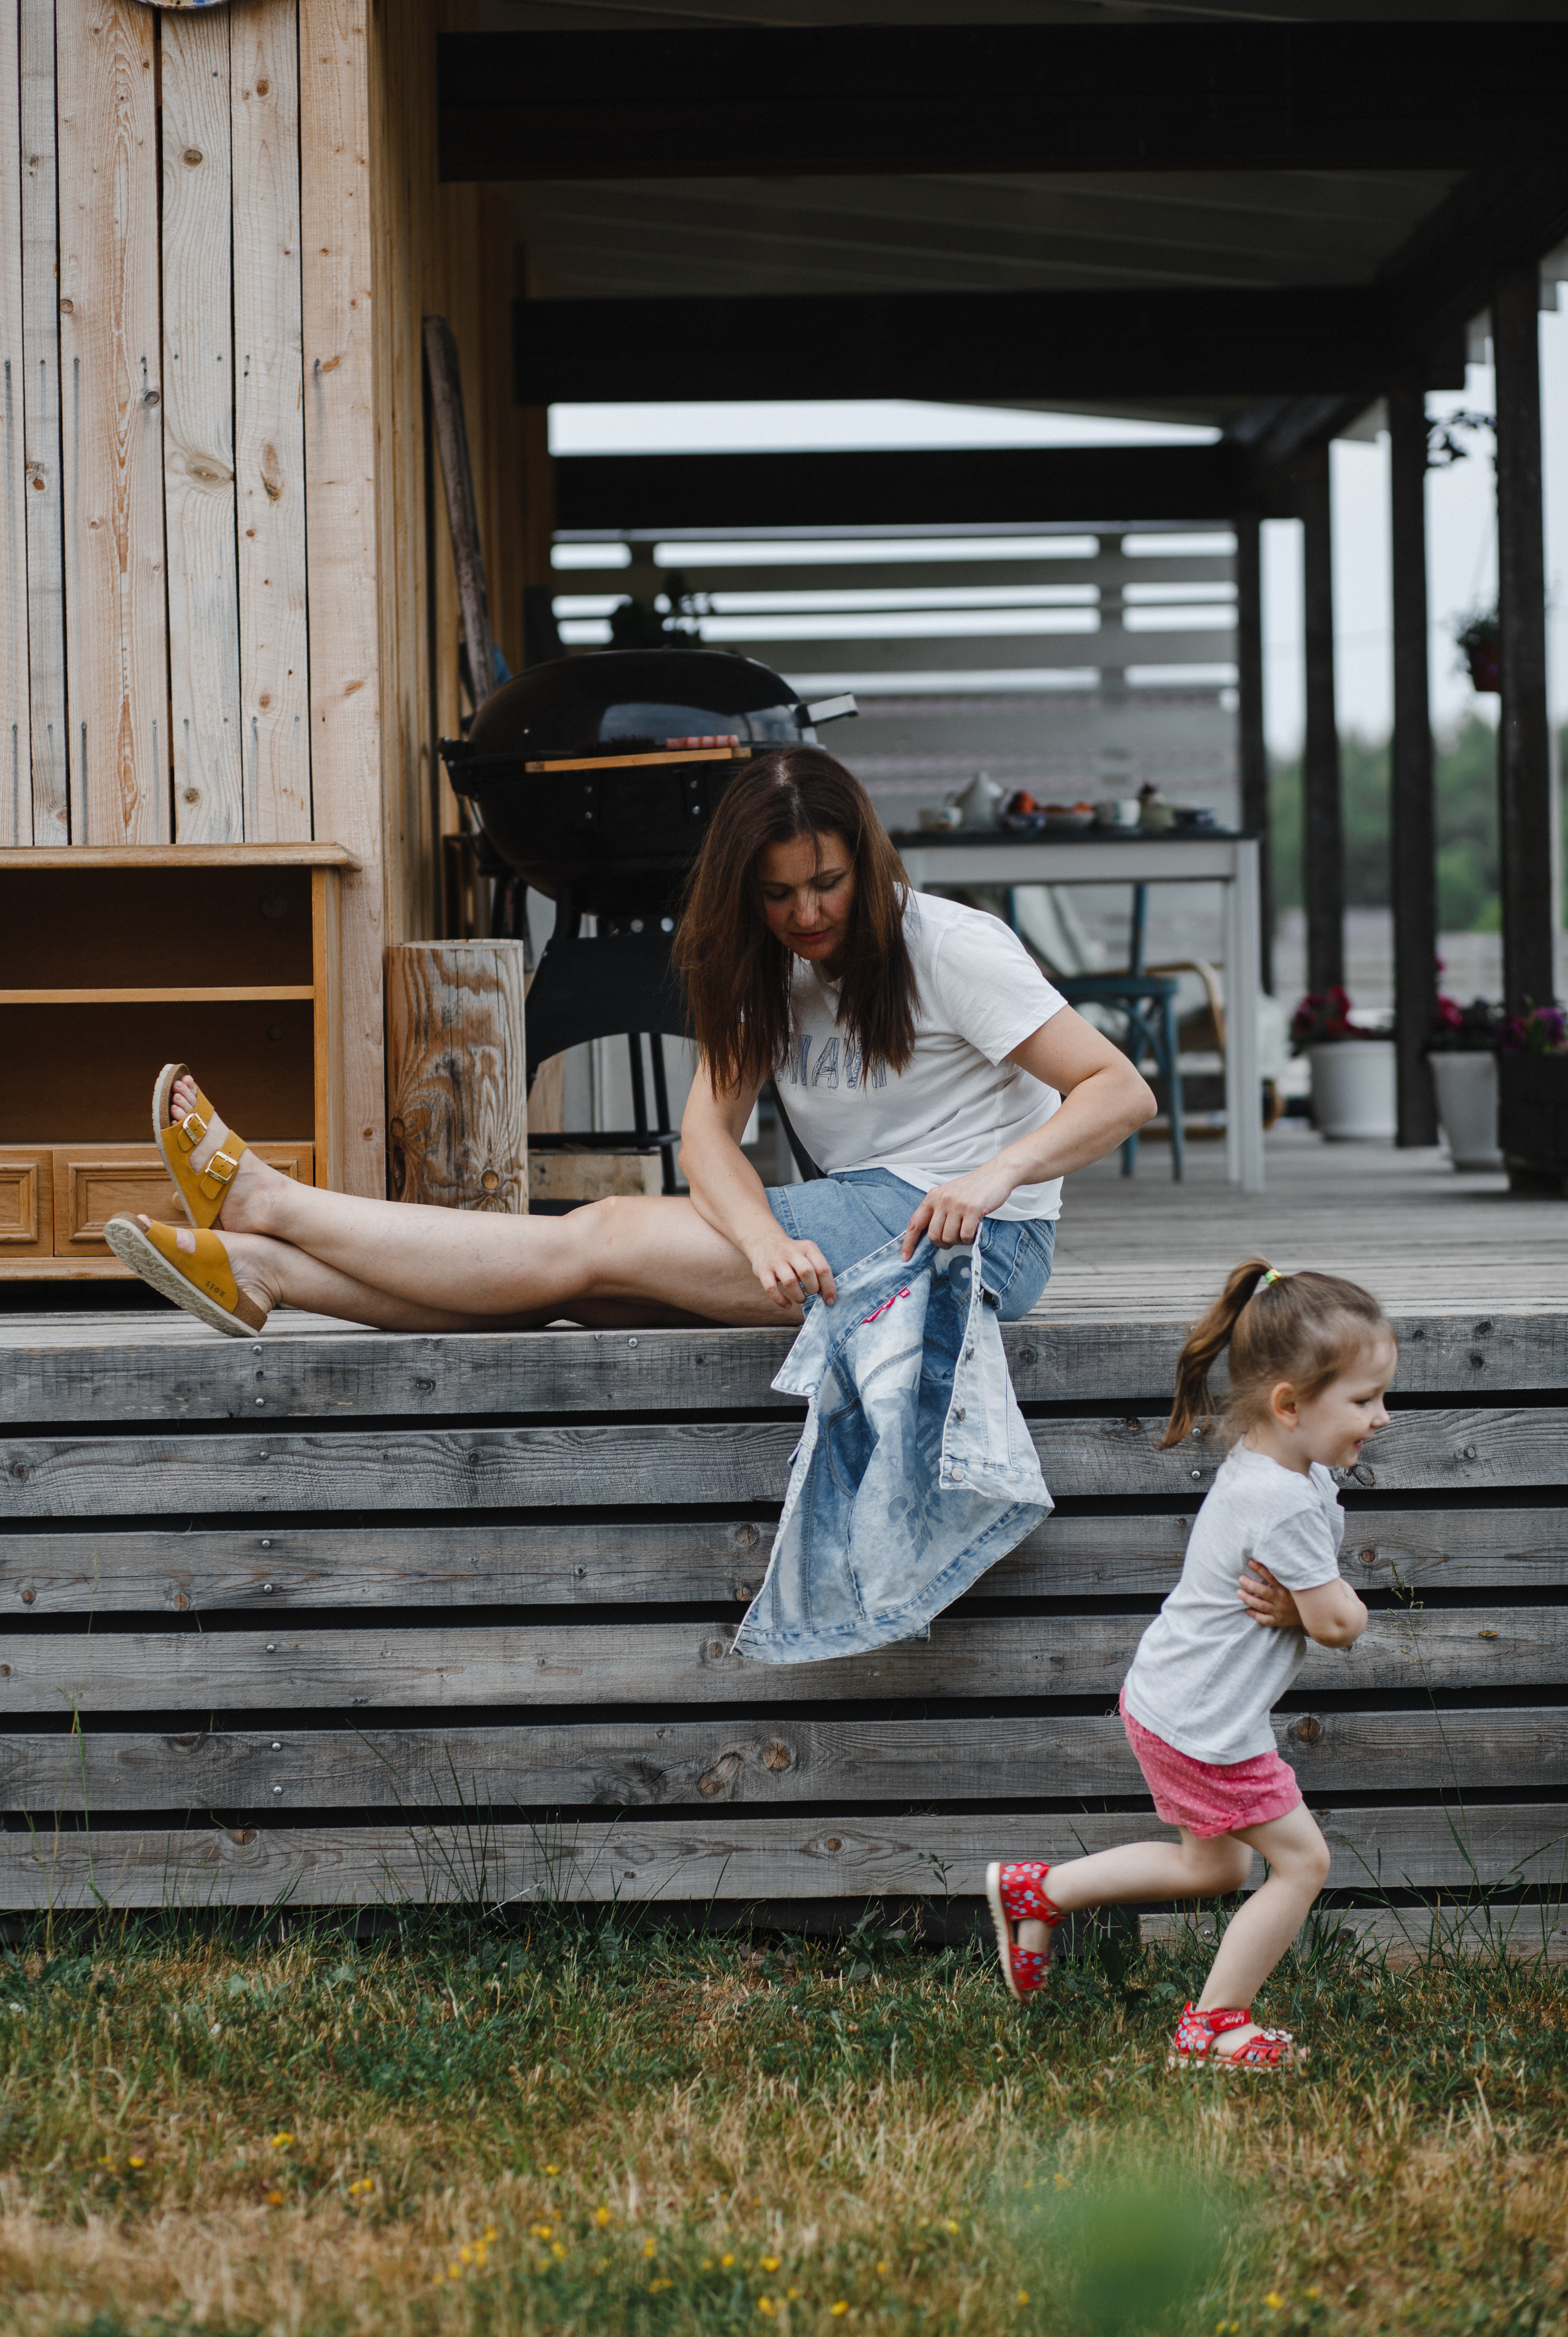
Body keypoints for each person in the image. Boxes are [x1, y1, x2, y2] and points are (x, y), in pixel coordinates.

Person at [105, 747, 1154, 1338]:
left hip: (974, 1246)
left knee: (596, 1235)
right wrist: (760, 1241)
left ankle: (270, 1203)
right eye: (778, 894)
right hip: (865, 1227)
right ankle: (268, 1275)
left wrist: (995, 1176)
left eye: (827, 883)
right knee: (586, 1288)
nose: (807, 914)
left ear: (864, 860)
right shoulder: (765, 964)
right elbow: (707, 1139)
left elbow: (1118, 1091)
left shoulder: (951, 947)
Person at [986, 1259, 1390, 2069]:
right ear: (1289, 1404)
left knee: (1213, 1867)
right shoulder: (1280, 1500)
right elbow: (1341, 1620)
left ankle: (1041, 1891)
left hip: (1177, 1702)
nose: (1382, 1417)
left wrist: (1295, 1611)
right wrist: (1316, 1614)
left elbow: (1305, 1601)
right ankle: (1214, 2027)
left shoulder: (1274, 1464)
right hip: (1208, 1722)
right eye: (1364, 1399)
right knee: (1302, 1862)